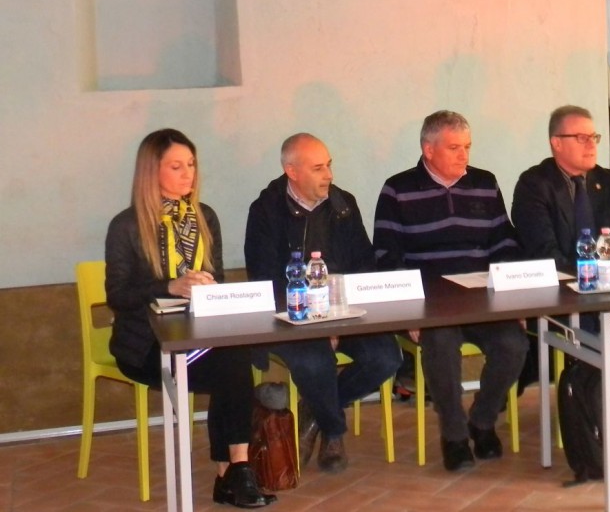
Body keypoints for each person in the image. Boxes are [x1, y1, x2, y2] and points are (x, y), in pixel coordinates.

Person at [105, 129, 275, 508]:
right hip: (147, 345)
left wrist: (208, 285)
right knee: (233, 366)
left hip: (200, 335)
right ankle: (233, 473)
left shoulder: (204, 216)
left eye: (192, 165)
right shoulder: (126, 225)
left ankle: (236, 470)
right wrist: (171, 286)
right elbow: (117, 295)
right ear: (151, 171)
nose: (188, 174)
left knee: (233, 358)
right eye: (177, 167)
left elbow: (219, 277)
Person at [373, 110, 528, 472]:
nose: (464, 156)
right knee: (441, 346)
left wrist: (513, 296)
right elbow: (386, 255)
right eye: (454, 148)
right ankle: (455, 435)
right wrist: (410, 310)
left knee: (514, 344)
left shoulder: (485, 183)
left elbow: (504, 243)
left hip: (482, 300)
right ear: (428, 149)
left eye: (467, 147)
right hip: (431, 305)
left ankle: (482, 420)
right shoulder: (397, 189)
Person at [244, 133, 402, 473]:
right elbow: (264, 279)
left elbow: (364, 265)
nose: (329, 175)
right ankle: (333, 431)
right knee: (315, 362)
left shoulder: (344, 205)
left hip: (345, 313)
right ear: (291, 171)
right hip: (291, 317)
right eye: (318, 168)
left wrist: (336, 318)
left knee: (386, 357)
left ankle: (314, 412)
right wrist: (315, 320)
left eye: (329, 165)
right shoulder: (265, 210)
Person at [511, 105, 610, 391]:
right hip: (562, 293)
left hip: (608, 286)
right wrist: (588, 284)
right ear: (556, 143)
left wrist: (609, 282)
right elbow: (545, 252)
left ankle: (601, 397)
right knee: (591, 325)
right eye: (581, 138)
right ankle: (597, 401)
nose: (591, 145)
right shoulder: (534, 184)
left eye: (594, 137)